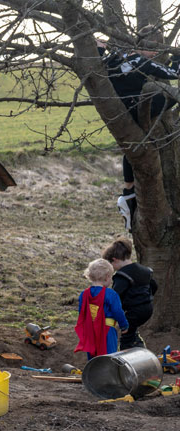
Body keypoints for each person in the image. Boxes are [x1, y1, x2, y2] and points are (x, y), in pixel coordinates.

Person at [97, 36, 180, 231]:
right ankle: (129, 198)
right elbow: (174, 73)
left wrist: (100, 48)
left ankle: (128, 191)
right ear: (143, 48)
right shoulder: (140, 61)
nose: (156, 54)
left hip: (118, 110)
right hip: (136, 107)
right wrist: (177, 56)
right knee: (171, 96)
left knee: (132, 149)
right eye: (154, 50)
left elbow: (95, 64)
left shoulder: (113, 59)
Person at [102, 238, 156, 349]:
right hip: (148, 308)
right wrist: (147, 297)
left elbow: (116, 296)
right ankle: (136, 341)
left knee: (125, 336)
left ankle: (126, 356)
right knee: (132, 329)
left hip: (134, 312)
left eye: (110, 265)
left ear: (114, 260)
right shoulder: (144, 270)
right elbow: (154, 285)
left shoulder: (122, 276)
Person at [74, 258, 129, 359]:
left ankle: (94, 373)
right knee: (109, 357)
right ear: (107, 277)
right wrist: (124, 325)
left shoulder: (84, 294)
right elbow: (117, 311)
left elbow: (82, 312)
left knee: (93, 358)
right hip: (107, 331)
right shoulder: (111, 294)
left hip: (90, 331)